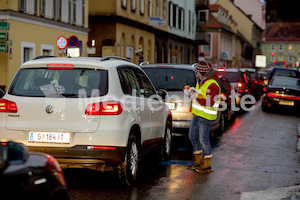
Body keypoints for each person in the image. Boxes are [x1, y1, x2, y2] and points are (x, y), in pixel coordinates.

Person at [185, 60, 221, 173]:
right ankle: (198, 160)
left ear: (203, 73)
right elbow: (200, 95)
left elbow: (209, 102)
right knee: (192, 136)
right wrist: (191, 92)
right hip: (198, 114)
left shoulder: (213, 85)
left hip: (206, 116)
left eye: (198, 73)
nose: (197, 75)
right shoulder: (201, 82)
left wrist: (195, 96)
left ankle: (206, 164)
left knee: (203, 139)